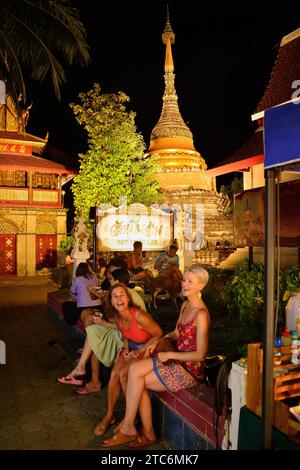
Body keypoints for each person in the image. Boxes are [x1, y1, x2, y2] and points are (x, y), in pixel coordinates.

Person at [101, 265, 210, 448]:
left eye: (190, 282)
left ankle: (137, 430)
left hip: (189, 369)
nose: (184, 284)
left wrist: (169, 354)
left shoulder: (201, 314)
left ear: (201, 286)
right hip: (174, 359)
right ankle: (133, 428)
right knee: (134, 370)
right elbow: (176, 333)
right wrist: (156, 342)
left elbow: (200, 355)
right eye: (185, 280)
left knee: (137, 380)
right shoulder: (185, 305)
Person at [57, 269, 148, 394]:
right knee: (95, 333)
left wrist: (104, 323)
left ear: (117, 281)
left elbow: (128, 326)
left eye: (110, 280)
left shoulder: (127, 297)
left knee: (96, 337)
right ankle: (83, 370)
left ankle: (89, 376)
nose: (109, 283)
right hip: (125, 333)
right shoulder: (124, 293)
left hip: (131, 337)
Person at [94, 282, 163, 437]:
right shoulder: (117, 316)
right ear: (110, 301)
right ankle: (110, 415)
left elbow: (159, 334)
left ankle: (130, 418)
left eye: (122, 295)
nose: (119, 299)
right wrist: (126, 348)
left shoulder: (138, 315)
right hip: (131, 349)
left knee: (124, 376)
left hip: (147, 350)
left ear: (128, 297)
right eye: (115, 296)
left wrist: (140, 349)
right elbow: (125, 333)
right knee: (114, 374)